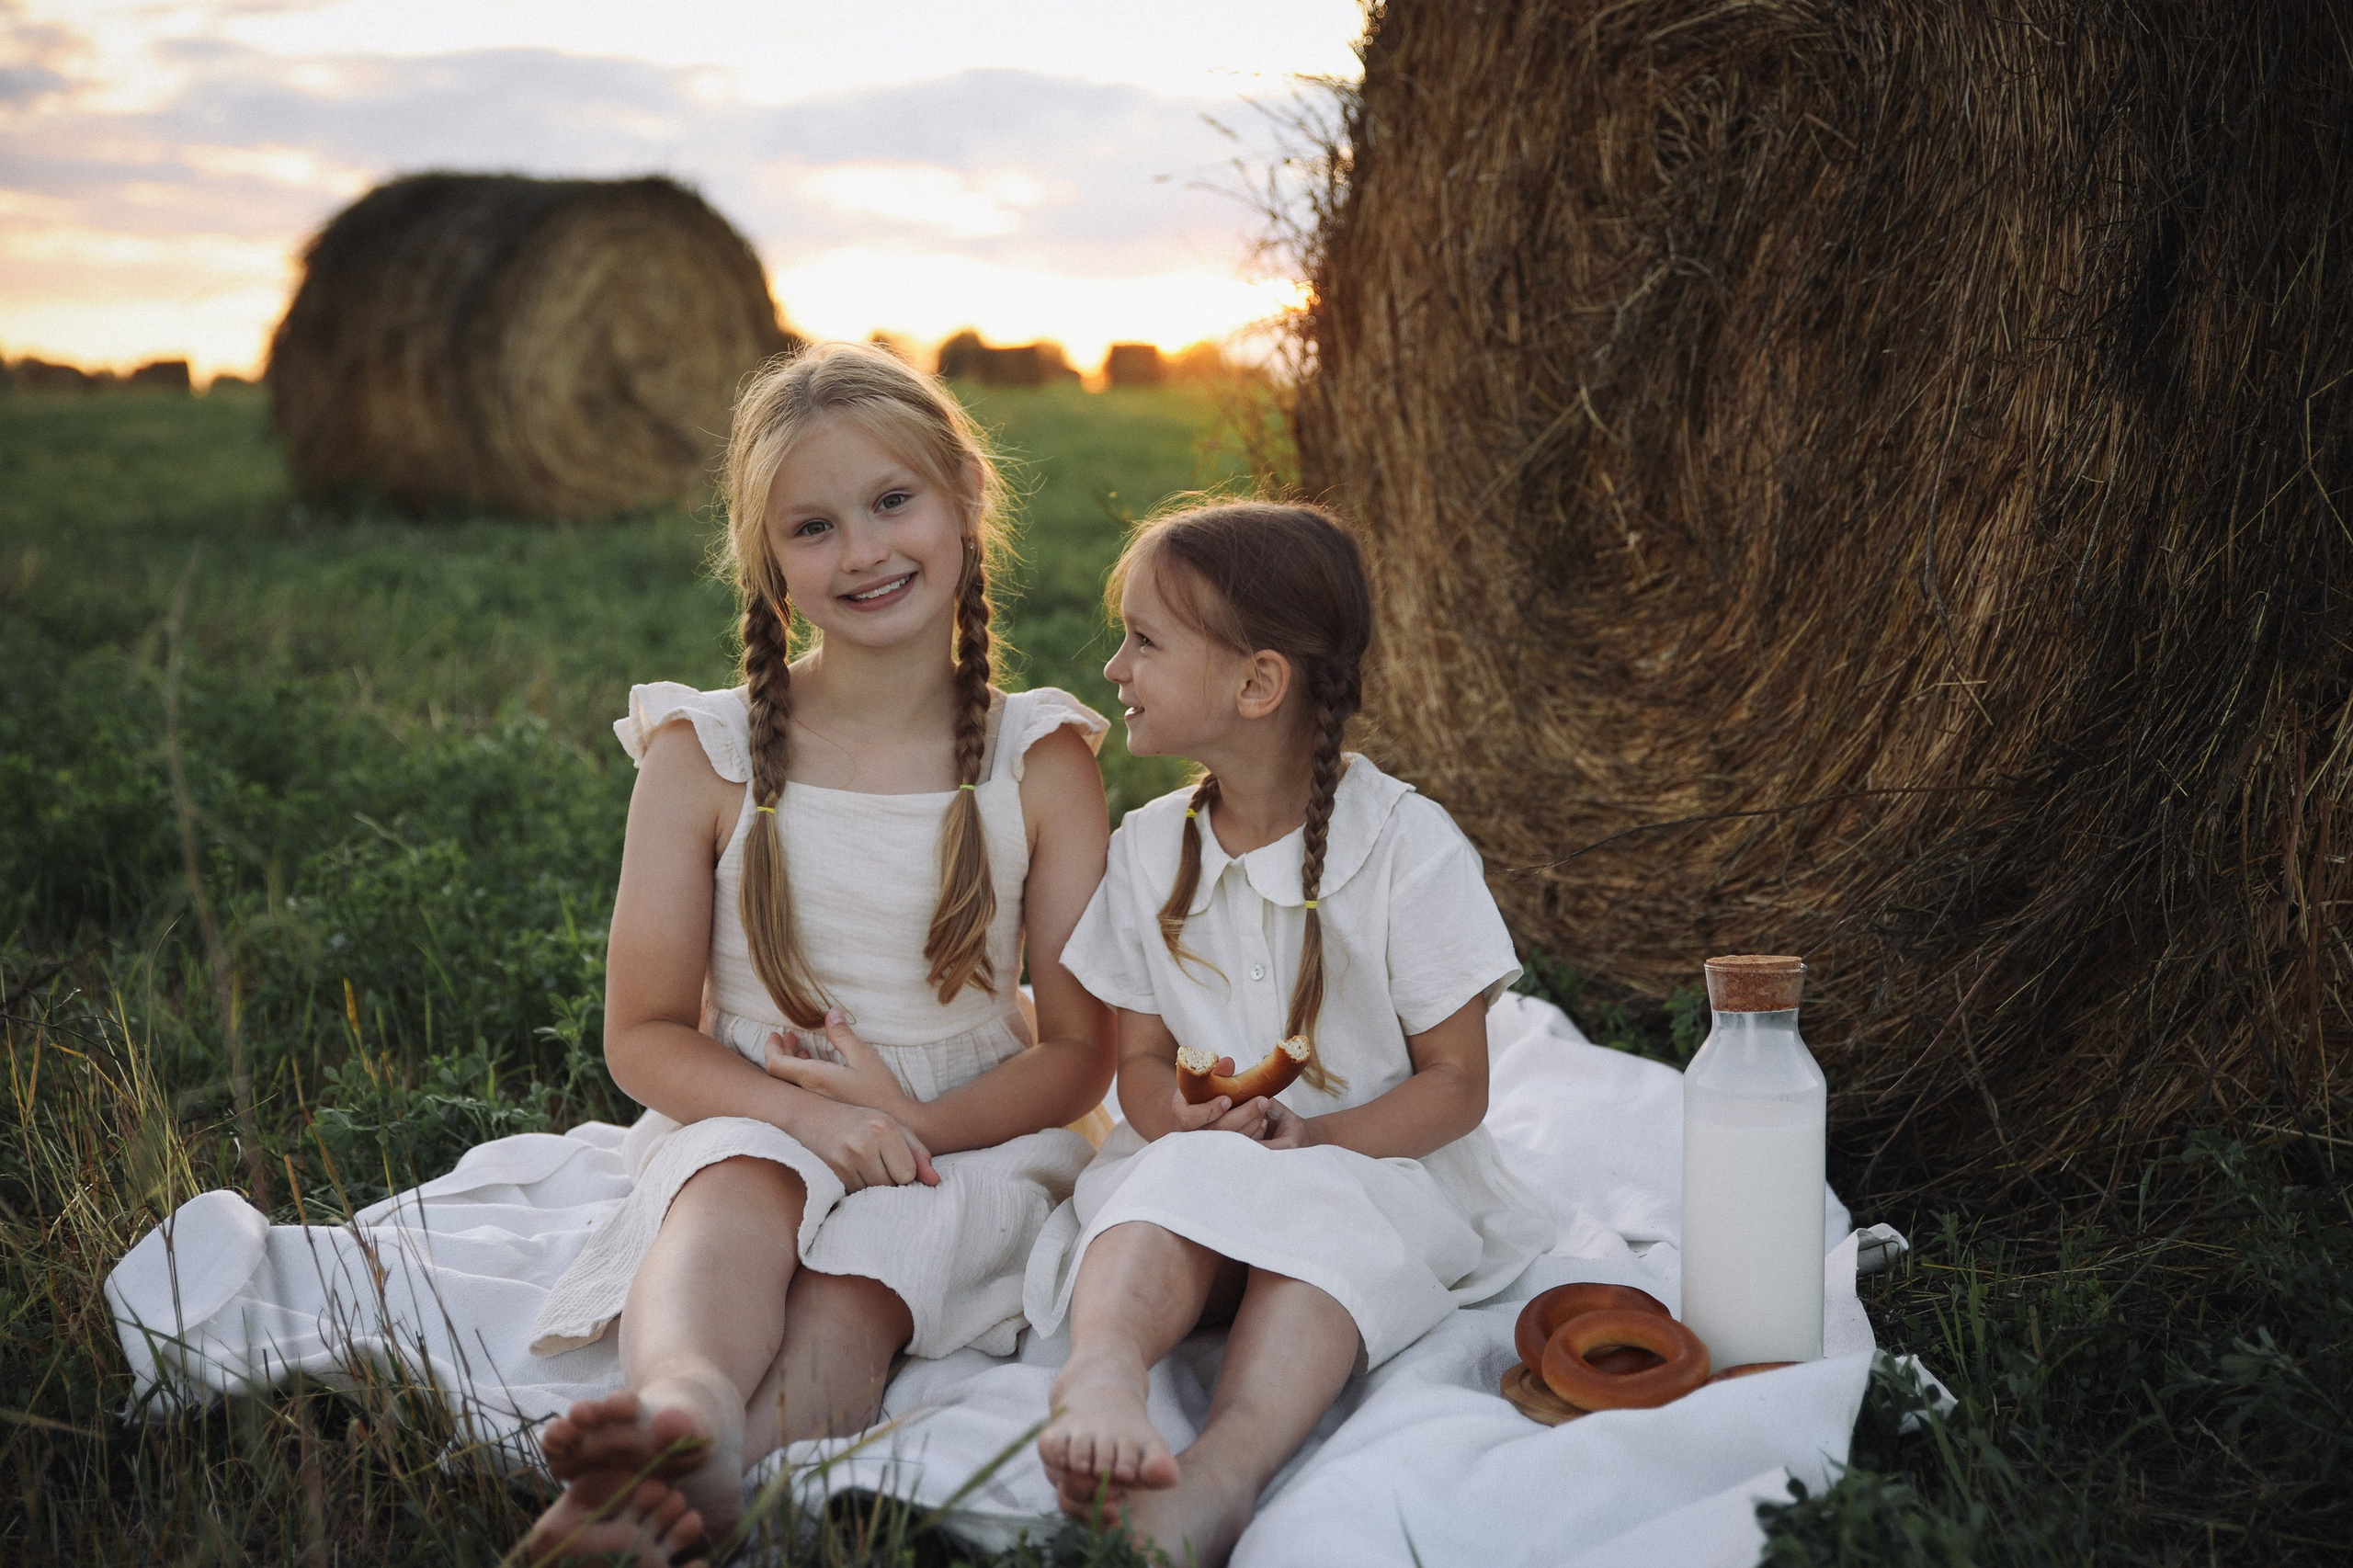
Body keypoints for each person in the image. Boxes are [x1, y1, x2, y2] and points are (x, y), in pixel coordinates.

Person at [522, 342, 1115, 1563]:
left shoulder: (1039, 760)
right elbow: (640, 1032)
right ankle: (679, 1409)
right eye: (813, 525)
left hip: (969, 1120)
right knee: (730, 1187)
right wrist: (812, 1121)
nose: (863, 551)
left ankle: (719, 1486)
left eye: (893, 500)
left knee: (871, 1271)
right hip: (759, 1096)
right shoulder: (707, 752)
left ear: (965, 493)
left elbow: (1079, 1053)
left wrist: (904, 1126)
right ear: (767, 558)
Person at [1021, 502, 1553, 1565]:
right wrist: (1165, 1112)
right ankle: (1104, 1372)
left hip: (1373, 1162)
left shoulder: (1408, 846)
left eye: (1146, 639)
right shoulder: (1146, 850)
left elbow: (1456, 1083)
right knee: (1154, 1195)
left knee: (1319, 1251)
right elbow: (1134, 1056)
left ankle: (1223, 1472)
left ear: (1257, 683)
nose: (1115, 665)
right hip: (1213, 1162)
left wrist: (1321, 1144)